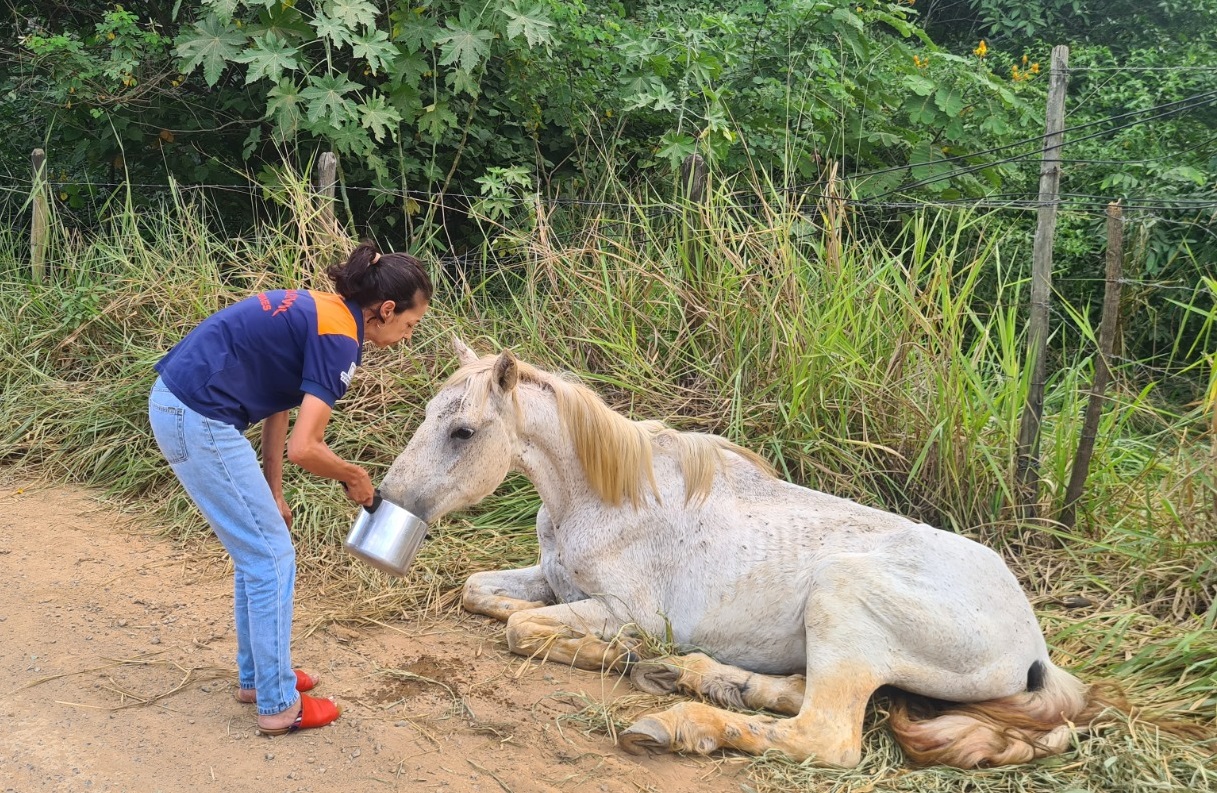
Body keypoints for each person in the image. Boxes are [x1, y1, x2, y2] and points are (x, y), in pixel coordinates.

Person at [147, 241, 432, 735]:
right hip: (198, 415)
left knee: (256, 551)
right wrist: (355, 476)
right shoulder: (341, 338)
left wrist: (273, 490)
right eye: (409, 325)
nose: (406, 337)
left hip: (183, 406)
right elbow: (307, 446)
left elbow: (275, 400)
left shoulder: (322, 310)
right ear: (386, 310)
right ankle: (279, 705)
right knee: (272, 557)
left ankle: (259, 678)